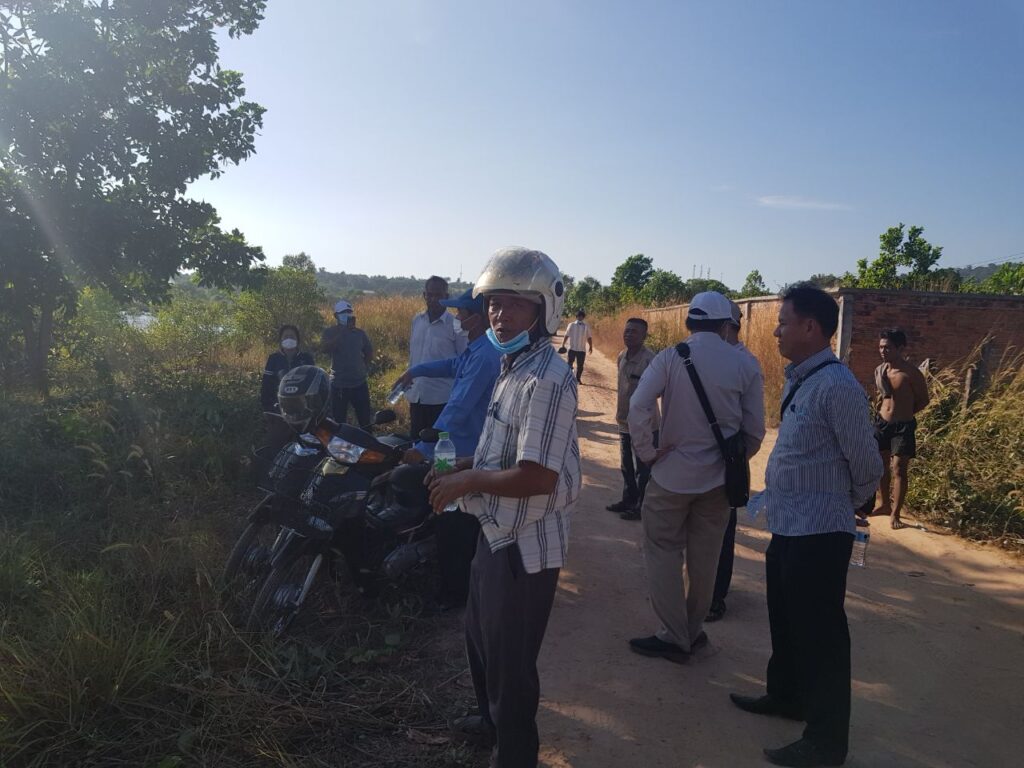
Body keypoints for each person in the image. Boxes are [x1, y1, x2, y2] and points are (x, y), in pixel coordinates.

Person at [427, 247, 580, 768]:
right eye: (494, 303)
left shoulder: (548, 379)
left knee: (511, 667)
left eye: (515, 304)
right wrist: (464, 465)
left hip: (523, 546)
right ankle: (489, 724)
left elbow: (538, 476)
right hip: (493, 531)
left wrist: (468, 479)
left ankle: (514, 755)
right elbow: (505, 452)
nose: (500, 314)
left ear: (543, 311)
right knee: (480, 640)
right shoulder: (512, 367)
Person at [730, 284, 883, 768]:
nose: (776, 331)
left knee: (821, 636)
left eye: (783, 322)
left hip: (819, 533)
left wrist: (839, 505)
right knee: (786, 619)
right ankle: (787, 696)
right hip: (789, 525)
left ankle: (825, 742)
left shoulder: (837, 386)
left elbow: (868, 467)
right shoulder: (803, 379)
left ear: (811, 328)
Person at [627, 292, 765, 663]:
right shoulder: (745, 364)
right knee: (705, 560)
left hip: (670, 476)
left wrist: (646, 453)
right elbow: (755, 430)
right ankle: (691, 630)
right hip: (718, 483)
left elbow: (638, 405)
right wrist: (734, 461)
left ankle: (674, 636)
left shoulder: (670, 358)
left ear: (689, 322)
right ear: (725, 325)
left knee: (662, 552)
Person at [393, 287, 502, 608]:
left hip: (460, 453)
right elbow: (452, 365)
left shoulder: (485, 356)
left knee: (452, 520)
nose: (457, 317)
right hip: (457, 445)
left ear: (476, 318)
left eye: (461, 313)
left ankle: (454, 594)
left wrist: (425, 447)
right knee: (448, 513)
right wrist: (415, 370)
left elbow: (457, 408)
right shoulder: (477, 349)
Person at [707, 300, 762, 622]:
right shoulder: (707, 356)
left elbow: (754, 430)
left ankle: (715, 596)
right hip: (700, 463)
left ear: (725, 325)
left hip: (725, 464)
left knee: (721, 531)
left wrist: (735, 461)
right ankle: (699, 588)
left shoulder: (745, 362)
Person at [869, 328, 930, 530]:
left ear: (900, 348)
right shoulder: (880, 371)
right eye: (881, 347)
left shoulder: (911, 373)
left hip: (903, 426)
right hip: (882, 423)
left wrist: (905, 413)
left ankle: (896, 513)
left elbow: (924, 400)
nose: (883, 351)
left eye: (887, 347)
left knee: (899, 468)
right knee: (881, 465)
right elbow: (882, 396)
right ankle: (884, 504)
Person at [606, 317, 659, 521]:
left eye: (634, 331)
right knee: (626, 466)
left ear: (644, 336)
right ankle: (628, 500)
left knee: (643, 469)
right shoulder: (621, 356)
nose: (628, 334)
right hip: (624, 422)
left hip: (645, 426)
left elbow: (658, 391)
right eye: (627, 331)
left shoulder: (651, 361)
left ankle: (641, 507)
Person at [407, 276, 468, 440]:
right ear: (424, 295)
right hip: (417, 396)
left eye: (438, 295)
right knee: (416, 444)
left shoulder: (455, 325)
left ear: (446, 297)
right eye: (430, 295)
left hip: (442, 399)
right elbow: (414, 355)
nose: (433, 299)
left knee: (440, 446)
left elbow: (463, 362)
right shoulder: (417, 321)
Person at [320, 300, 374, 429]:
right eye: (343, 313)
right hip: (339, 385)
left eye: (349, 312)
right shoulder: (330, 332)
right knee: (339, 423)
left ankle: (366, 440)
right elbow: (324, 349)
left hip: (359, 384)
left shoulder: (360, 333)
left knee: (365, 422)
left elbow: (369, 351)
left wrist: (363, 367)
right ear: (336, 316)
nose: (347, 315)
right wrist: (343, 332)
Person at [260, 325, 315, 412]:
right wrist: (269, 407)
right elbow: (266, 385)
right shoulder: (273, 358)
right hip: (279, 407)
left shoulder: (307, 358)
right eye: (285, 337)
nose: (289, 339)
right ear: (281, 340)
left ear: (297, 340)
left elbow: (314, 382)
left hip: (303, 407)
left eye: (292, 336)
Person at [559, 308, 592, 383]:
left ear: (583, 317)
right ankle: (568, 378)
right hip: (572, 348)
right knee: (569, 364)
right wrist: (563, 344)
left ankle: (578, 379)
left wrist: (591, 346)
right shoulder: (571, 325)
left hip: (581, 350)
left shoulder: (586, 326)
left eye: (582, 316)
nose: (580, 317)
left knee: (580, 366)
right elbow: (566, 335)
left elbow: (589, 337)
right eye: (579, 316)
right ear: (576, 317)